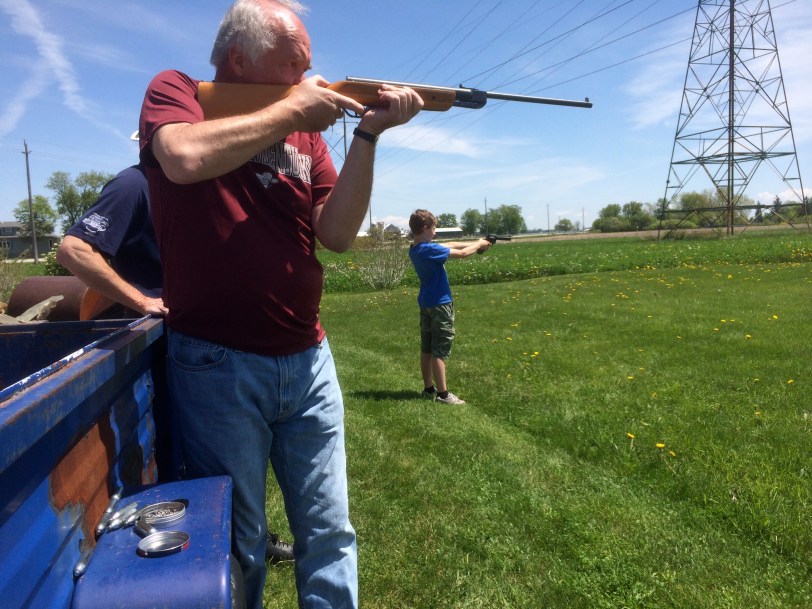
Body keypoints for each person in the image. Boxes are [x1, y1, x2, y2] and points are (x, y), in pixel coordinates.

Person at [137, 1, 423, 607]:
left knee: (330, 534)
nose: (306, 78)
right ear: (239, 59)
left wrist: (368, 135)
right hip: (217, 361)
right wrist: (293, 108)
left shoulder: (307, 132)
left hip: (309, 358)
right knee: (238, 542)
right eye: (292, 65)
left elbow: (337, 234)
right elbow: (182, 158)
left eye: (307, 66)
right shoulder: (177, 90)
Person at [56, 163, 294, 564]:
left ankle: (244, 537)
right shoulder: (134, 185)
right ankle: (202, 556)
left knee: (229, 452)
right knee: (185, 455)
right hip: (163, 344)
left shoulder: (200, 187)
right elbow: (74, 250)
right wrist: (142, 300)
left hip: (211, 340)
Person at [408, 209, 491, 405]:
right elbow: (462, 253)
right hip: (440, 305)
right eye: (434, 228)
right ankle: (443, 395)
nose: (435, 232)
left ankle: (429, 389)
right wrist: (479, 244)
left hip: (426, 303)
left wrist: (477, 242)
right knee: (439, 350)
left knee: (427, 348)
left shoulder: (416, 248)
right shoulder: (429, 250)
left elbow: (452, 245)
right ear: (425, 228)